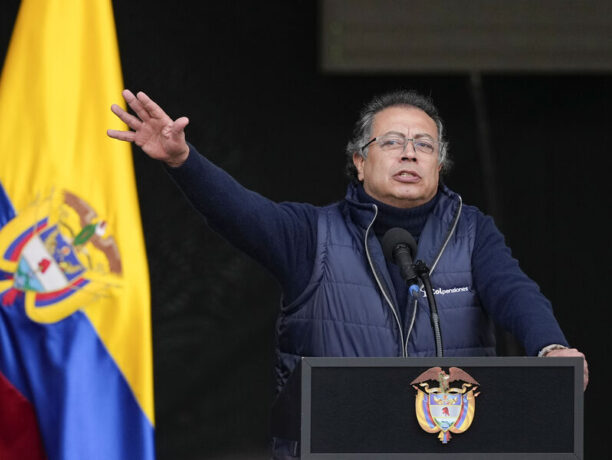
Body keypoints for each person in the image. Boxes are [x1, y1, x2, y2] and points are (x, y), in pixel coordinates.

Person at [107, 88, 588, 454]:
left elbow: (513, 291)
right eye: (392, 141)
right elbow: (241, 214)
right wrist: (183, 161)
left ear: (439, 165)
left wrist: (551, 345)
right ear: (359, 161)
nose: (409, 153)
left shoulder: (472, 232)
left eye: (424, 145)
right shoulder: (310, 235)